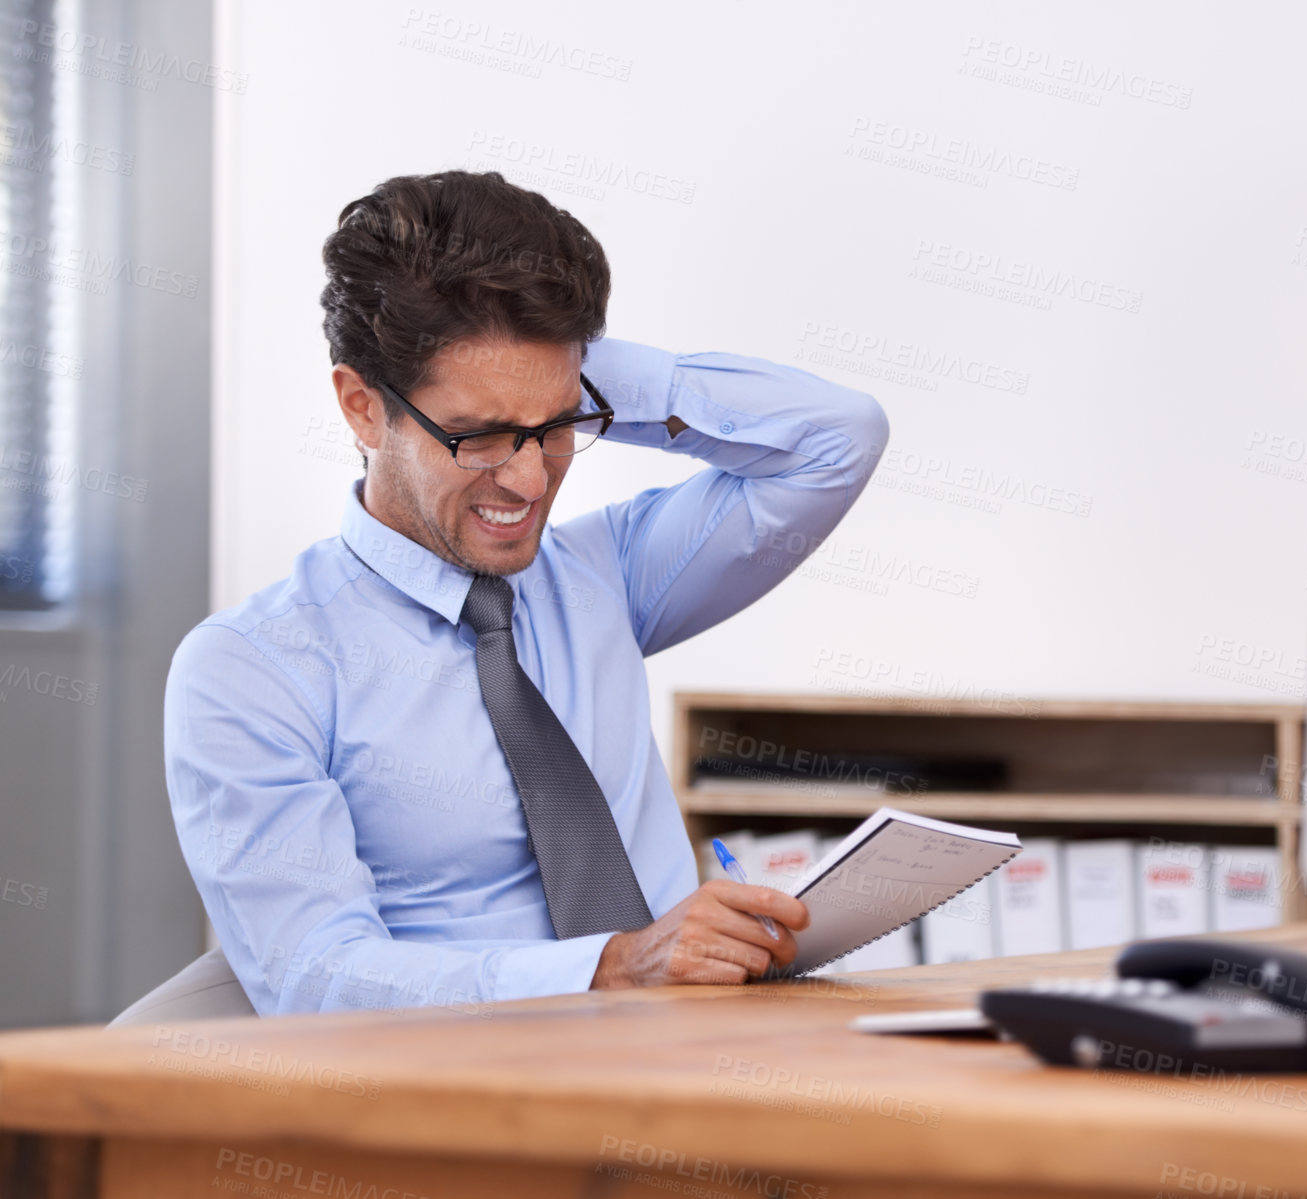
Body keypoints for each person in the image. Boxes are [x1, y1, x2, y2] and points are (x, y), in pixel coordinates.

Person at [162, 170, 888, 1016]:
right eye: (480, 435)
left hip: (689, 1059)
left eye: (557, 428)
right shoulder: (255, 668)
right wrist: (610, 967)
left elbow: (837, 440)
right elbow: (315, 979)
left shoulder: (604, 574)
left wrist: (577, 369)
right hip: (470, 1099)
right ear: (363, 408)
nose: (529, 477)